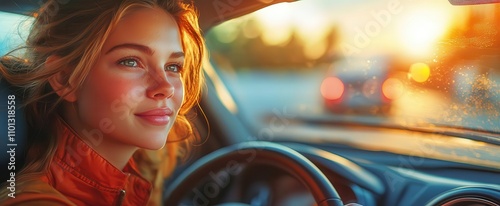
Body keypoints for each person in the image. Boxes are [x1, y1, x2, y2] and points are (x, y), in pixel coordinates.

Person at [0, 0, 205, 205]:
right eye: (131, 62)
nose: (166, 87)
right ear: (65, 79)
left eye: (173, 67)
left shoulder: (140, 174)